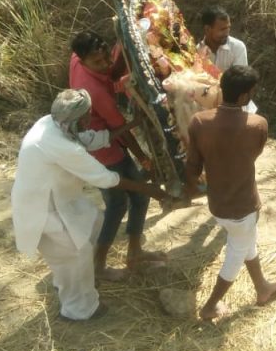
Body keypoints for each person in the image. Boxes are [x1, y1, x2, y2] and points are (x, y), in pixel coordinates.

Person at [11, 89, 166, 321]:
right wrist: (152, 191)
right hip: (42, 207)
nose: (89, 120)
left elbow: (91, 139)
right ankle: (78, 310)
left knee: (94, 222)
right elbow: (106, 178)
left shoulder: (53, 124)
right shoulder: (60, 145)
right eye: (87, 116)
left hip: (60, 199)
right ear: (79, 119)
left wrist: (132, 124)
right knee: (75, 252)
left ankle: (70, 280)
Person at [184, 65, 276, 321]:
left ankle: (262, 287)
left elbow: (193, 166)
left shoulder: (199, 121)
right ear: (244, 96)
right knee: (236, 254)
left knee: (245, 242)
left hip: (217, 203)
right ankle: (210, 306)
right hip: (242, 205)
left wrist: (187, 191)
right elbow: (253, 154)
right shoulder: (258, 125)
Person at [69, 31, 163, 280]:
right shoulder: (94, 91)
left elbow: (110, 69)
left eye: (105, 58)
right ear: (83, 60)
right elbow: (119, 128)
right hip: (103, 148)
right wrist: (142, 157)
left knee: (134, 198)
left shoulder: (76, 60)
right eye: (98, 63)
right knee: (119, 203)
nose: (105, 65)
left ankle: (134, 252)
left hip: (97, 140)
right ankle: (99, 264)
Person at [197, 5, 257, 113]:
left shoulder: (238, 47)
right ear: (207, 29)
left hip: (236, 109)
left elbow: (238, 84)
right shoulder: (198, 51)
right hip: (208, 107)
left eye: (228, 28)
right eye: (222, 29)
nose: (227, 33)